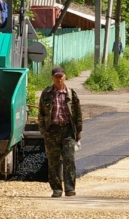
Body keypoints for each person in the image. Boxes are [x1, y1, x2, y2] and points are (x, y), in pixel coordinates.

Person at [38, 66, 83, 198]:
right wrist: (43, 130)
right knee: (53, 161)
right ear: (52, 78)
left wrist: (78, 132)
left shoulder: (71, 94)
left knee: (69, 159)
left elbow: (78, 114)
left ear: (65, 77)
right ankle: (56, 189)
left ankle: (70, 188)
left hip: (67, 130)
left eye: (61, 76)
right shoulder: (46, 94)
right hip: (52, 131)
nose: (59, 79)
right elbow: (41, 113)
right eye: (56, 77)